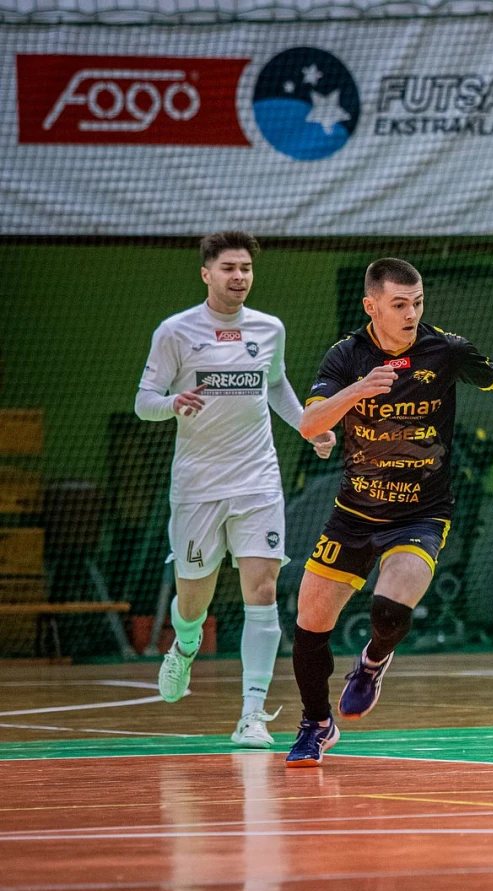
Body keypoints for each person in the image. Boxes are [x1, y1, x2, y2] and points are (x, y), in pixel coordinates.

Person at [285, 257, 493, 767]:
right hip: (354, 514)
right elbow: (309, 423)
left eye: (418, 303)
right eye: (399, 305)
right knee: (310, 623)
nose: (411, 314)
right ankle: (316, 724)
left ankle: (372, 661)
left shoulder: (444, 350)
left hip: (421, 514)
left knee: (389, 611)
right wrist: (358, 390)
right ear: (371, 307)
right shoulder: (346, 356)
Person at [135, 231, 336, 748]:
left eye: (245, 268)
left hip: (257, 481)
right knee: (193, 601)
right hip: (198, 486)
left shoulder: (269, 329)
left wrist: (308, 426)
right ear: (206, 274)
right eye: (228, 268)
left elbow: (276, 384)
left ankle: (252, 714)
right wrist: (172, 403)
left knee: (263, 591)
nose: (239, 276)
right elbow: (143, 401)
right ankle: (184, 647)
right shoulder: (175, 332)